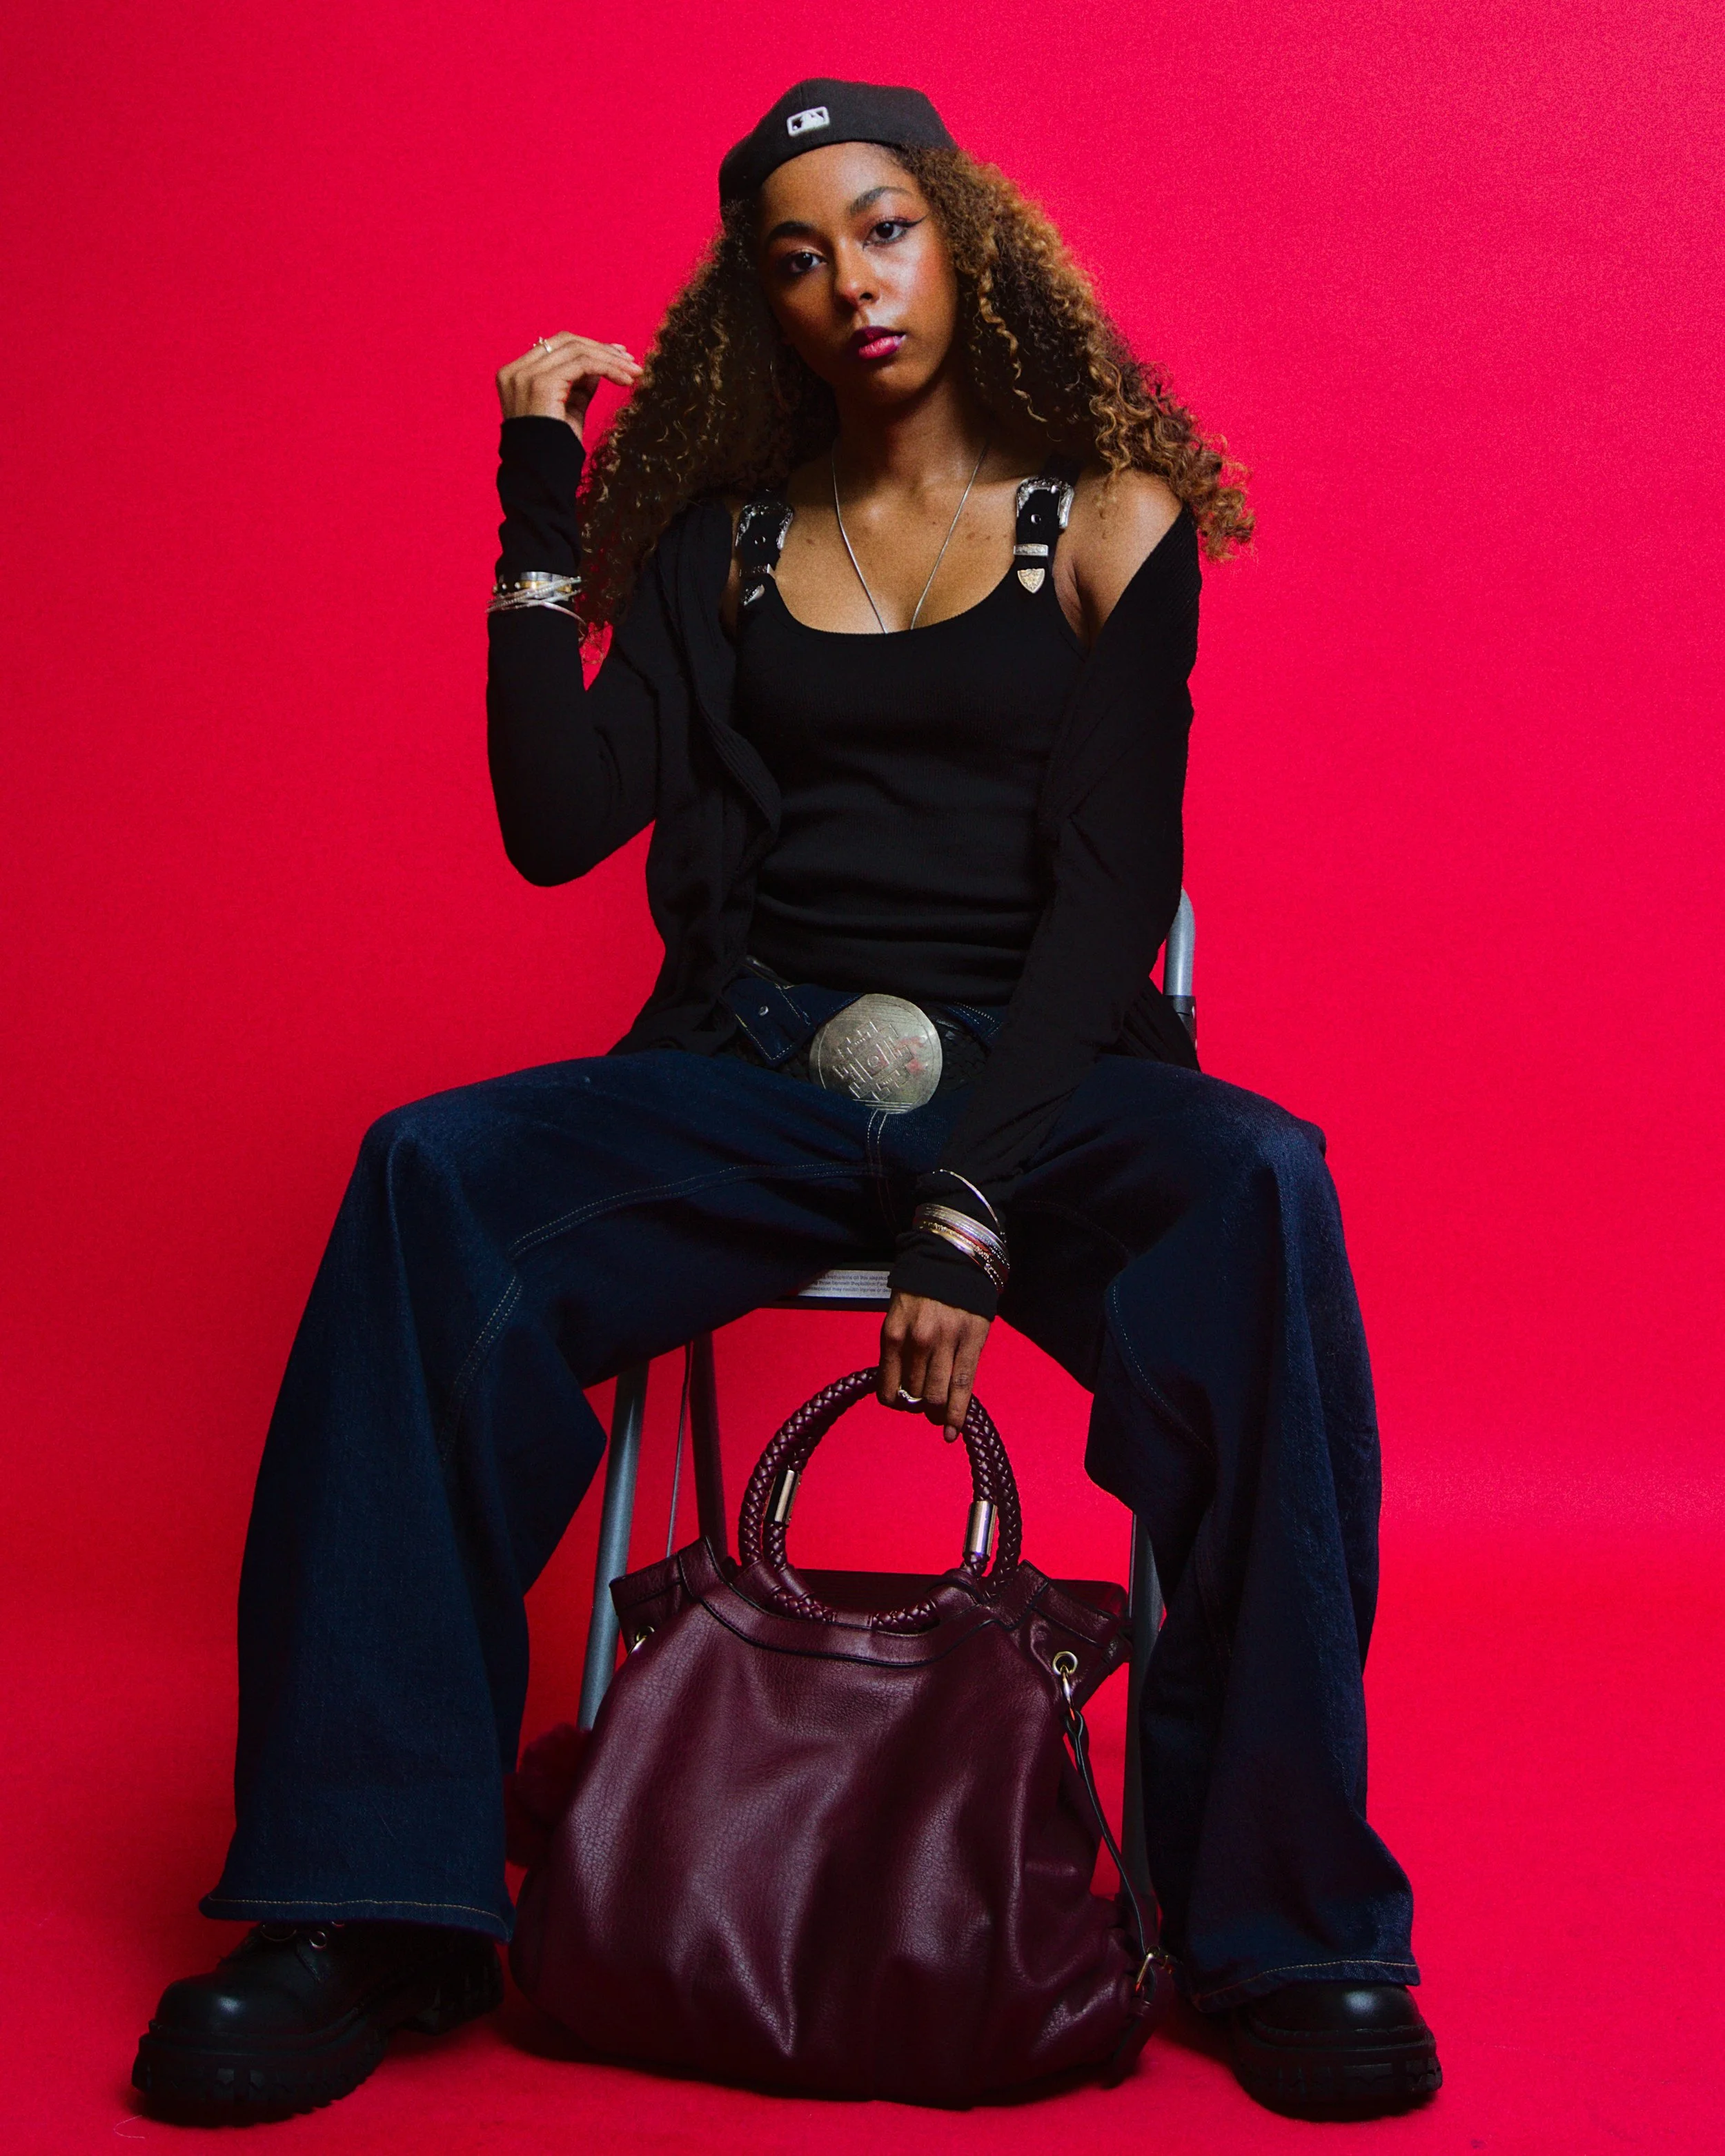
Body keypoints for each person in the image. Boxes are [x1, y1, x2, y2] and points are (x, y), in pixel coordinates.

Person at [132, 77, 1440, 2126]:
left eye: (886, 227)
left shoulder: (1107, 516)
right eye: (798, 254)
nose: (853, 283)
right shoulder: (726, 543)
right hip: (758, 1060)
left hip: (1048, 1076)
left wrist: (968, 1204)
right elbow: (554, 824)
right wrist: (539, 512)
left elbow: (1111, 903)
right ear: (764, 303)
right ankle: (362, 1899)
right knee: (424, 1180)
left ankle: (1288, 1926)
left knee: (1263, 1188)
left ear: (967, 239)